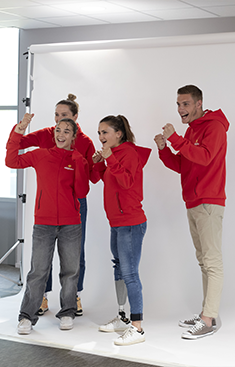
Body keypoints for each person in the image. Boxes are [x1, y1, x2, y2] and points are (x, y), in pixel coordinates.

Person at [154, 85, 229, 340]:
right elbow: (183, 165)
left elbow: (205, 157)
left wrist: (176, 139)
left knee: (212, 262)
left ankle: (208, 320)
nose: (180, 109)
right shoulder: (191, 130)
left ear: (198, 104)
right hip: (193, 201)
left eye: (185, 104)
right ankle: (207, 314)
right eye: (178, 104)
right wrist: (165, 148)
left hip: (209, 201)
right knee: (203, 262)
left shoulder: (214, 127)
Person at [6, 113, 89, 335]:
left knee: (71, 271)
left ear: (73, 137)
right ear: (54, 133)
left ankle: (68, 312)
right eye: (58, 130)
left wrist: (80, 163)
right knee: (38, 271)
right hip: (43, 223)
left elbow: (81, 191)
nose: (61, 134)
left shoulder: (77, 158)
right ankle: (26, 317)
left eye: (66, 131)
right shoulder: (40, 155)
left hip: (71, 223)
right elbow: (11, 161)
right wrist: (19, 131)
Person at [18, 94, 98, 317]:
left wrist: (98, 163)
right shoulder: (47, 134)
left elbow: (92, 177)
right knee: (44, 255)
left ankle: (73, 296)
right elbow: (21, 145)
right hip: (50, 204)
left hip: (75, 202)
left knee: (75, 253)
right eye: (56, 115)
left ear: (75, 117)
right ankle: (42, 296)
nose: (58, 121)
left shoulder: (85, 142)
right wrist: (21, 128)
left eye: (64, 116)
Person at [92, 115, 151, 346]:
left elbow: (126, 182)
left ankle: (137, 327)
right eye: (99, 133)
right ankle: (122, 317)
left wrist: (110, 160)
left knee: (130, 274)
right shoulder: (112, 156)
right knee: (119, 268)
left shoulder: (129, 154)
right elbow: (95, 179)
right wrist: (99, 161)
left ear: (119, 133)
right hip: (116, 223)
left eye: (105, 132)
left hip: (131, 222)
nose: (101, 137)